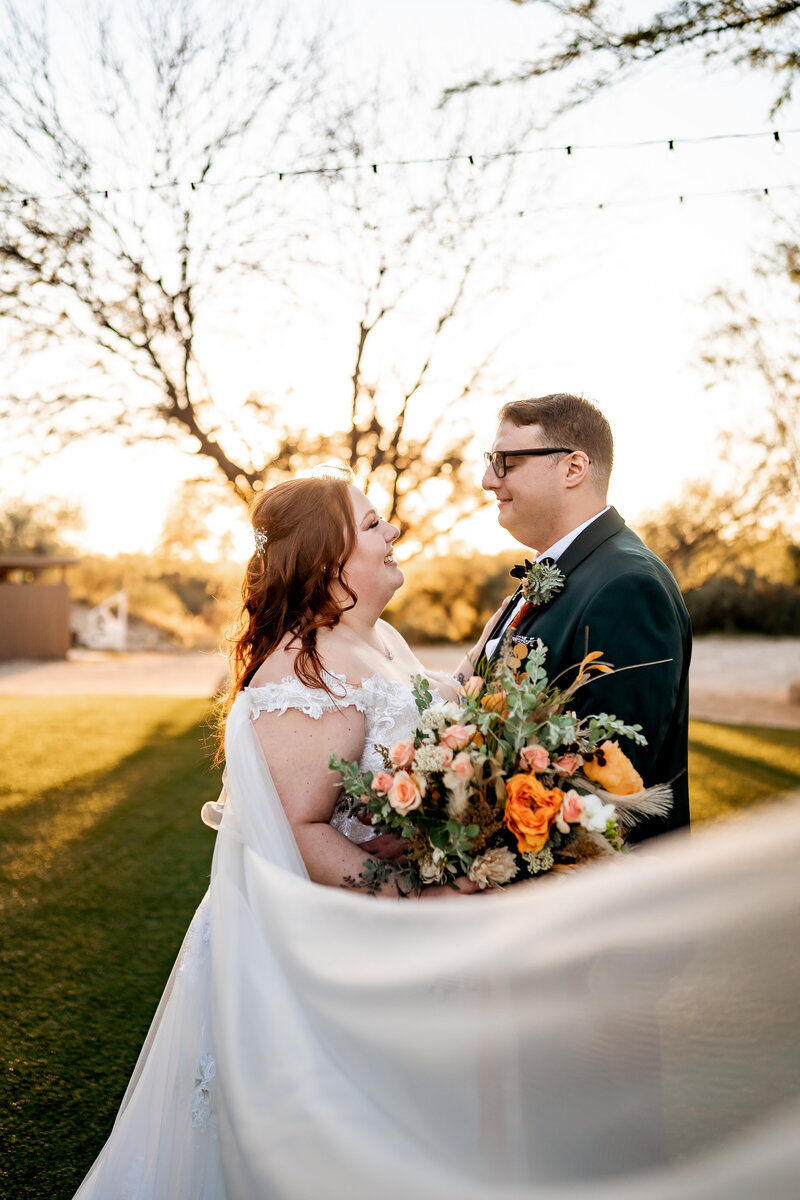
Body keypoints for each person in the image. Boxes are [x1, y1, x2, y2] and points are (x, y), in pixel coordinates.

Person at [70, 474, 799, 1200]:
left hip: (400, 941)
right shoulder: (306, 668)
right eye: (375, 523)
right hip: (330, 951)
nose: (395, 534)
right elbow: (299, 827)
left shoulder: (378, 639)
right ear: (330, 560)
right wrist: (412, 899)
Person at [478, 394, 691, 842]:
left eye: (506, 463)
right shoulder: (557, 571)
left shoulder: (628, 588)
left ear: (573, 469)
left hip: (595, 895)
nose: (487, 480)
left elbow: (608, 787)